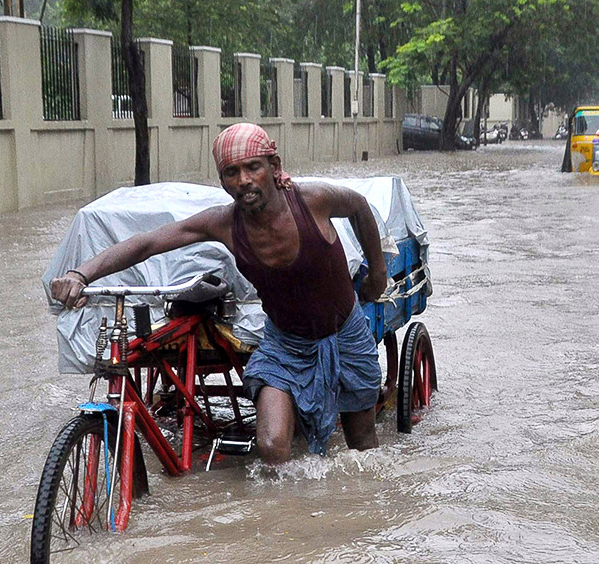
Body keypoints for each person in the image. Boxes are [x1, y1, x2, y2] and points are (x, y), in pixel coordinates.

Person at [50, 123, 388, 463]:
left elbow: (359, 206)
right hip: (285, 345)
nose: (243, 180)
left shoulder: (313, 200)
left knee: (361, 443)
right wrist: (81, 273)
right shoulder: (224, 223)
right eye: (231, 172)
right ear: (223, 181)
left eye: (253, 167)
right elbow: (148, 243)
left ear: (274, 166)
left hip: (344, 334)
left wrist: (378, 272)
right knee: (271, 448)